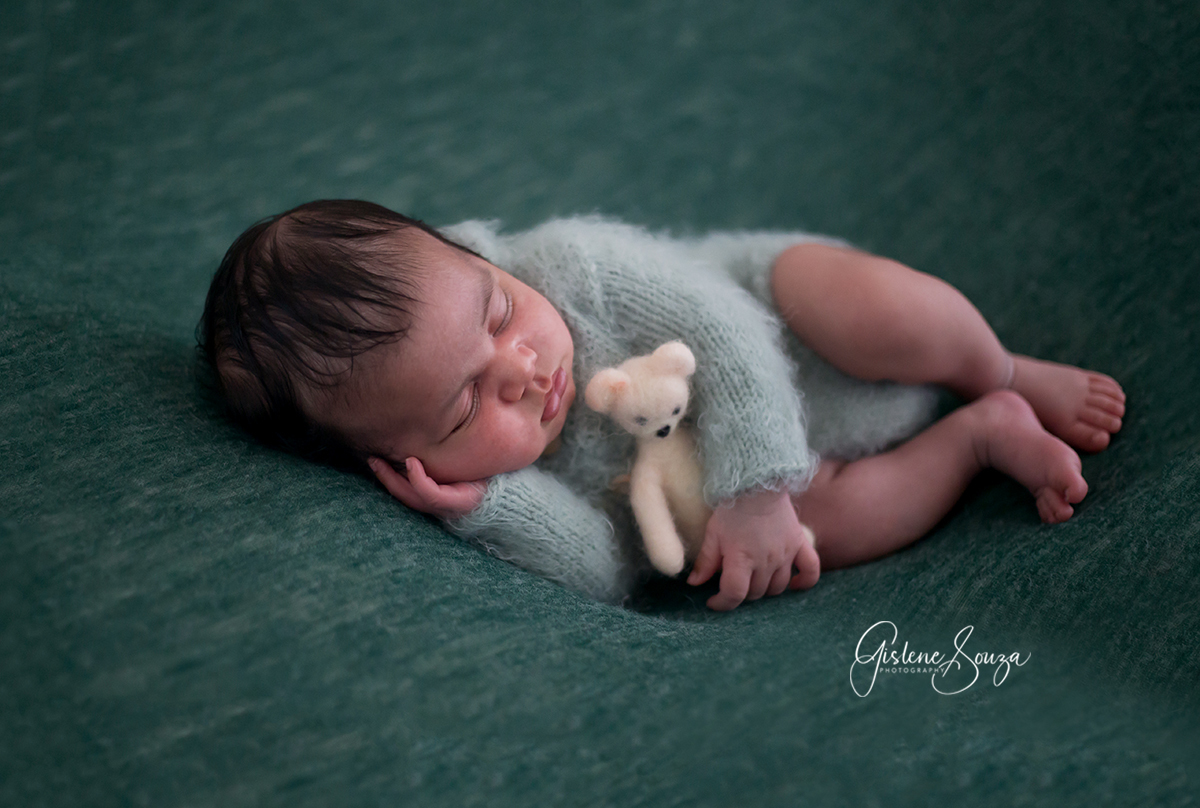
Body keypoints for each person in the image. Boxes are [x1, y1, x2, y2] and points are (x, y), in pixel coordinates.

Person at [199, 200, 1125, 610]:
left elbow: (725, 331)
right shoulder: (502, 481)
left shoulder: (574, 266)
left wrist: (755, 487)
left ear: (476, 251)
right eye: (463, 407)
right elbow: (608, 569)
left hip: (794, 329)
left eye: (498, 312)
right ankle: (976, 437)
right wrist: (489, 506)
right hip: (802, 485)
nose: (520, 369)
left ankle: (1001, 374)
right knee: (822, 530)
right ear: (405, 465)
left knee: (878, 309)